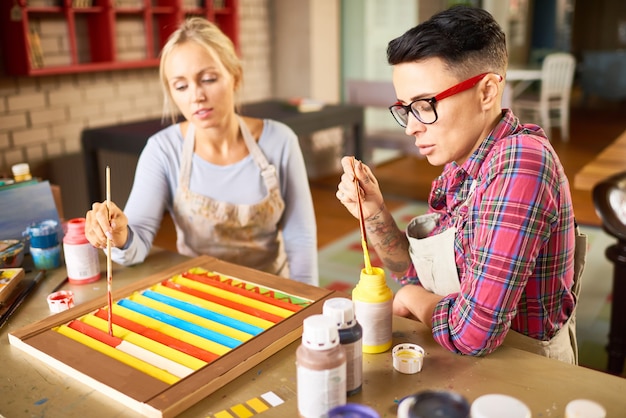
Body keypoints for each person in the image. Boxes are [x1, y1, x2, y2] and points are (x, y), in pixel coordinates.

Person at [336, 5, 586, 363]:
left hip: (524, 370)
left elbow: (473, 334)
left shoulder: (521, 164)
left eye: (424, 104)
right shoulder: (462, 165)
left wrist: (412, 299)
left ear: (486, 92)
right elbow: (414, 271)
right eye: (406, 109)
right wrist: (374, 209)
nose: (411, 127)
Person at [85, 17, 318, 286]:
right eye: (181, 86)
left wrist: (308, 306)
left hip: (271, 290)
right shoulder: (163, 150)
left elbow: (301, 237)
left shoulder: (279, 140)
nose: (196, 95)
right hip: (198, 294)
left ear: (235, 77)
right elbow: (136, 248)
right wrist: (119, 234)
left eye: (208, 79)